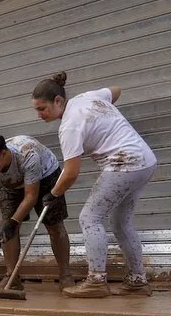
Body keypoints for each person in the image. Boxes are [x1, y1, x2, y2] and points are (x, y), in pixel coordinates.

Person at [33, 71, 158, 298]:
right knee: (120, 222)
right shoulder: (88, 97)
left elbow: (71, 173)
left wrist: (53, 193)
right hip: (145, 161)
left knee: (89, 217)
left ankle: (96, 280)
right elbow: (116, 90)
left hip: (124, 163)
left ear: (58, 101)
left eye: (42, 108)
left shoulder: (69, 126)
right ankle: (138, 280)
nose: (39, 115)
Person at [0, 133, 73, 290]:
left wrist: (14, 222)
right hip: (11, 184)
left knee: (54, 225)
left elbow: (31, 196)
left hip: (46, 176)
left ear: (4, 153)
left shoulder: (27, 155)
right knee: (6, 230)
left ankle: (65, 274)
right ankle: (11, 277)